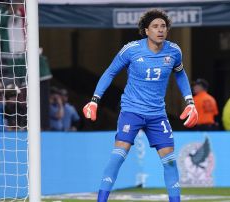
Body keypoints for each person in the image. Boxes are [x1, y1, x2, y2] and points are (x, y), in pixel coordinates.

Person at [82, 9, 198, 202]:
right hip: (131, 111)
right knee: (118, 156)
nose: (160, 30)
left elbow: (180, 73)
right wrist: (94, 100)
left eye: (163, 26)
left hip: (157, 115)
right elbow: (110, 73)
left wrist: (190, 101)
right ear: (146, 31)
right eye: (155, 26)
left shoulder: (174, 51)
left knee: (170, 162)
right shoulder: (131, 50)